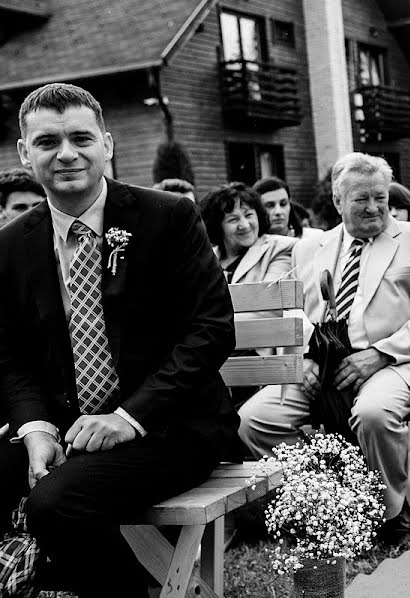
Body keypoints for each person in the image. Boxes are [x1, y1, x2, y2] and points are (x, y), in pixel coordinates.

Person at [0, 82, 241, 598]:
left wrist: (128, 418)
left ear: (107, 144)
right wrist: (36, 428)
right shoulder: (11, 244)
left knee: (56, 503)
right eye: (47, 142)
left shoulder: (169, 217)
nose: (66, 154)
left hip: (173, 426)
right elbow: (11, 354)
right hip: (69, 430)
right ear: (25, 153)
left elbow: (211, 328)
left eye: (80, 138)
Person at [237, 152, 410, 545]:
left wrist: (381, 354)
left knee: (373, 413)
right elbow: (293, 308)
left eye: (380, 198)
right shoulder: (310, 247)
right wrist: (303, 357)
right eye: (361, 199)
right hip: (322, 365)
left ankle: (391, 512)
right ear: (338, 202)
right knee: (253, 420)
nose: (373, 207)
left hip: (393, 363)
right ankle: (327, 498)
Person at [199, 182, 296, 286]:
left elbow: (268, 296)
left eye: (249, 215)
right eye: (233, 219)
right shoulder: (205, 259)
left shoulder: (279, 248)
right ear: (217, 225)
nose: (245, 225)